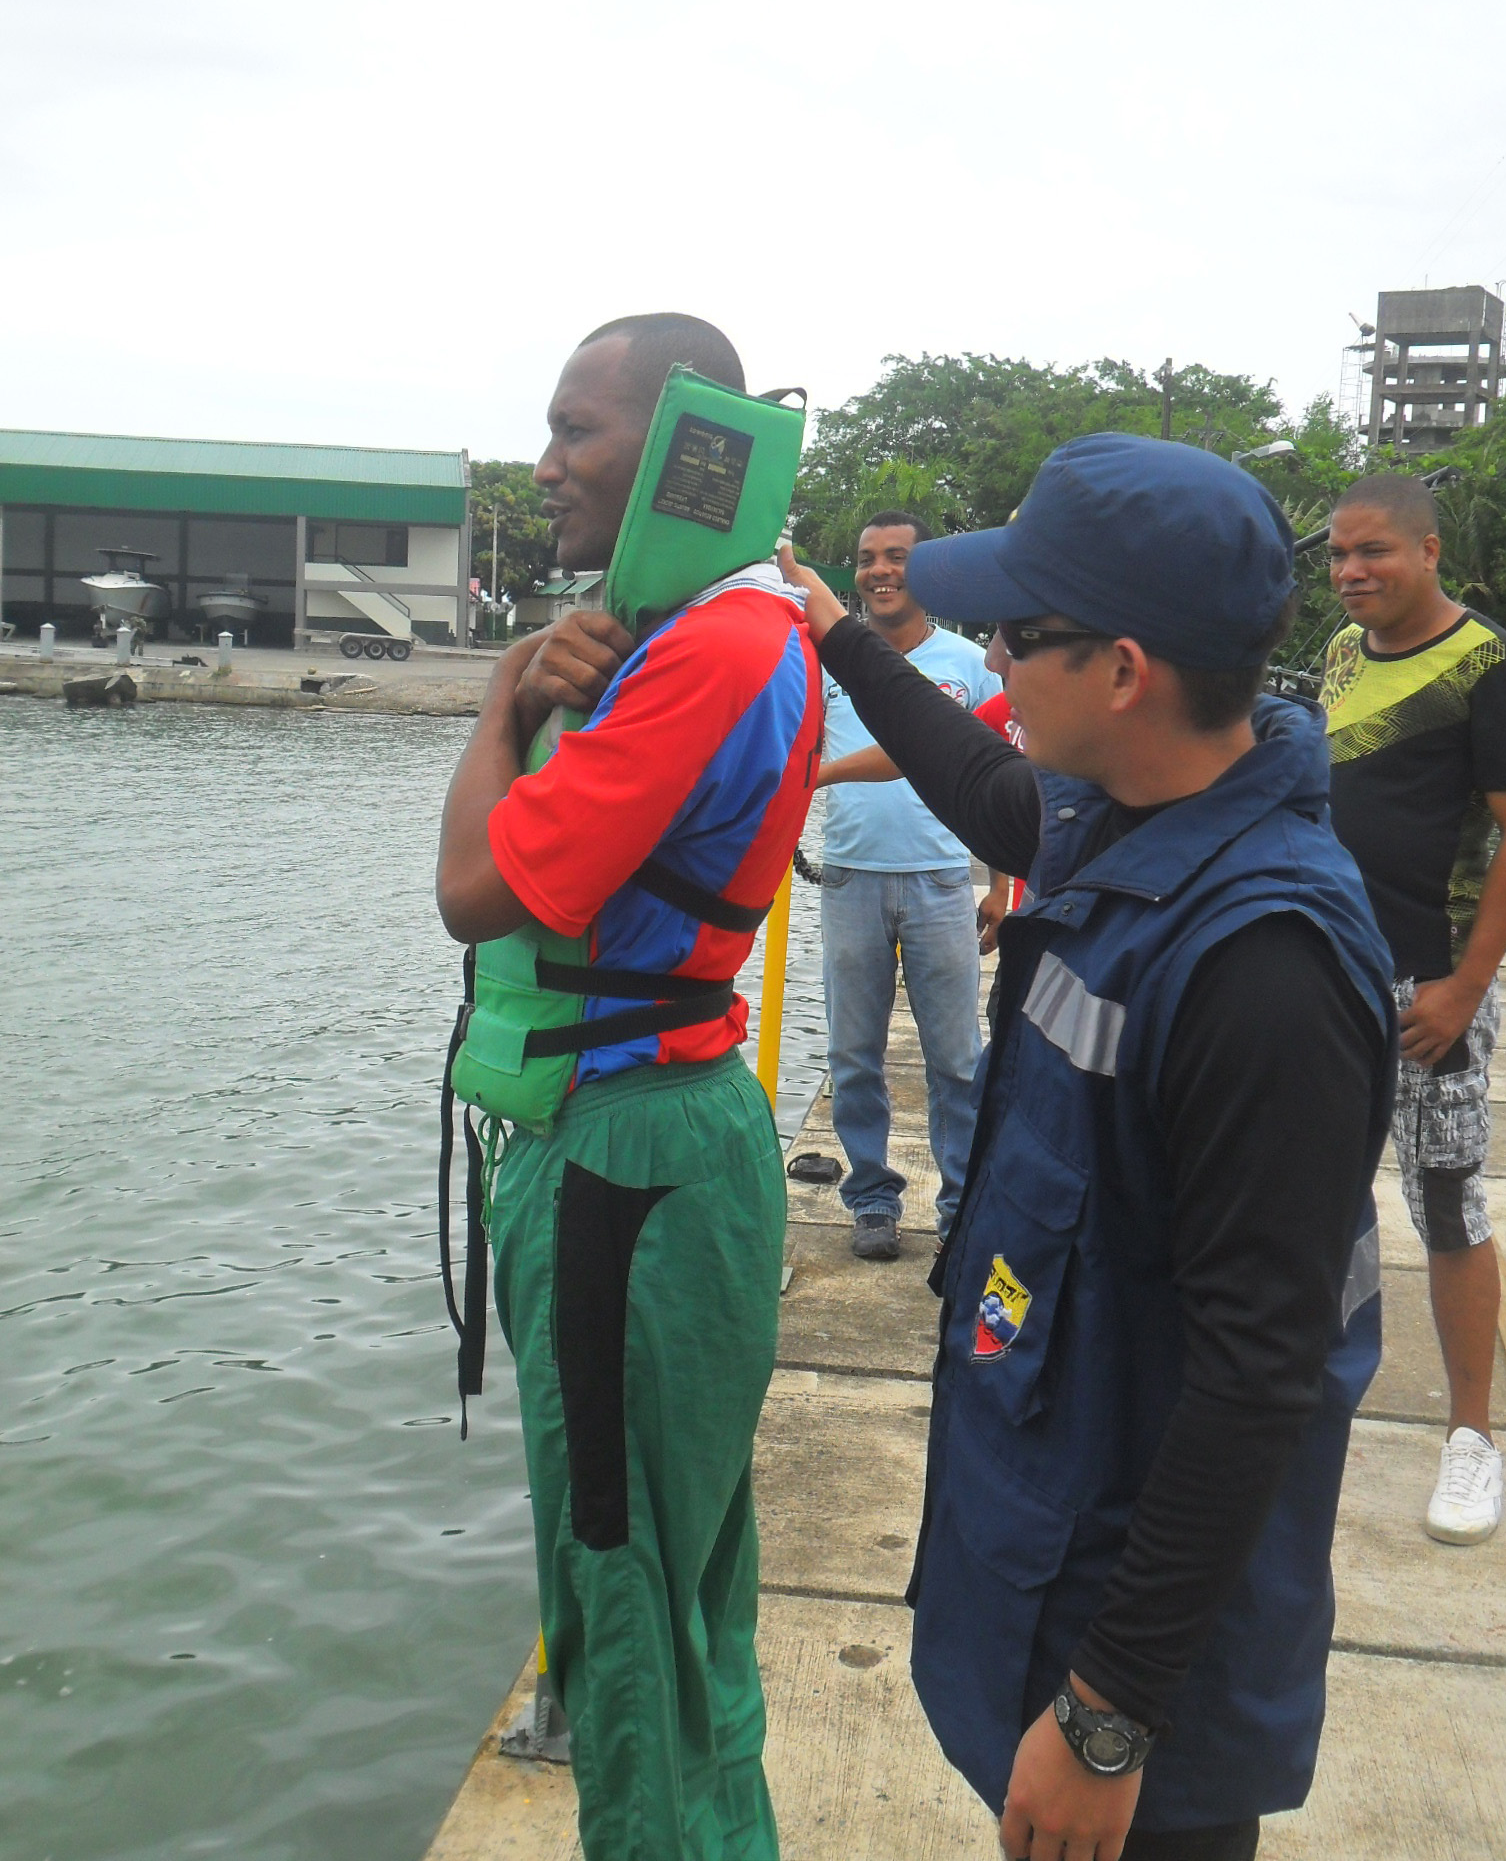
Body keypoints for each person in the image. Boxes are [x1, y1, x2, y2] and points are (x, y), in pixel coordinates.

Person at [779, 433, 1396, 1861]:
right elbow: (981, 786)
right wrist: (837, 637)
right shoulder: (1110, 815)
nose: (991, 663)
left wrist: (1110, 1712)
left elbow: (1262, 1373)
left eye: (1018, 636)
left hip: (1135, 1660)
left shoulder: (1267, 965)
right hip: (1046, 1541)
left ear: (1123, 672)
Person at [436, 313, 820, 1861]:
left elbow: (474, 894)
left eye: (575, 431)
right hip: (670, 1140)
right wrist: (546, 691)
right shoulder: (746, 629)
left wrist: (497, 708)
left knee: (620, 1586)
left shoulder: (706, 652)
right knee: (682, 1586)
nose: (545, 468)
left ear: (677, 448)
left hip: (623, 1169)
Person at [1323, 474, 1506, 1544]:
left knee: (1447, 1203)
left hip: (1428, 987)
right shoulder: (1346, 652)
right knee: (1306, 1189)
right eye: (1339, 555)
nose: (1353, 571)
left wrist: (1465, 984)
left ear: (1430, 550)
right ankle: (1304, 1394)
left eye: (1375, 552)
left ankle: (1471, 1438)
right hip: (1328, 972)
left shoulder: (1489, 663)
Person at [815, 509, 1003, 1257]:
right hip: (849, 879)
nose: (880, 571)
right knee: (853, 1055)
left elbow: (998, 781)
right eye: (866, 558)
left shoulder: (968, 662)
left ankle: (961, 1204)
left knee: (956, 1057)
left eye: (897, 556)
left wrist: (1003, 887)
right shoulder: (825, 660)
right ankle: (870, 1198)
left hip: (941, 880)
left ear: (923, 572)